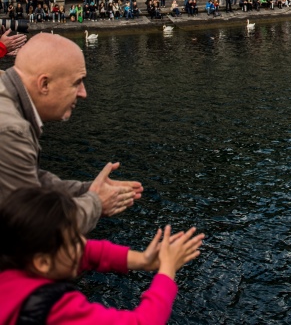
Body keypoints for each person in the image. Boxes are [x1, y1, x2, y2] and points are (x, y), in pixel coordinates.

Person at [0, 34, 143, 233]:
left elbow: (29, 179)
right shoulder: (12, 130)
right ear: (44, 84)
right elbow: (31, 228)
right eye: (77, 83)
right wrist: (96, 203)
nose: (83, 93)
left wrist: (86, 190)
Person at [0, 187, 204, 324]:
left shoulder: (14, 258)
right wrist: (167, 270)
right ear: (42, 262)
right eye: (75, 239)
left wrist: (142, 259)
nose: (84, 243)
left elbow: (84, 253)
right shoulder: (55, 309)